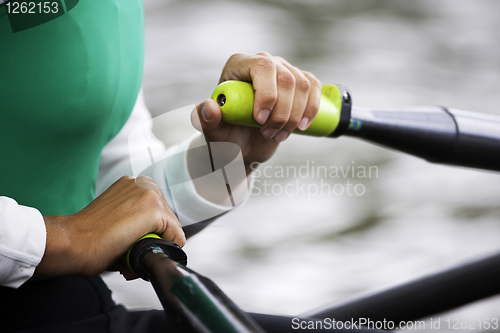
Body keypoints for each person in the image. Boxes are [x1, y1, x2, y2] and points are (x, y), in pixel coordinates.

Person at [0, 1, 388, 332]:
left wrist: (222, 163)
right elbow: (86, 228)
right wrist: (63, 238)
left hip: (65, 301)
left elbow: (110, 188)